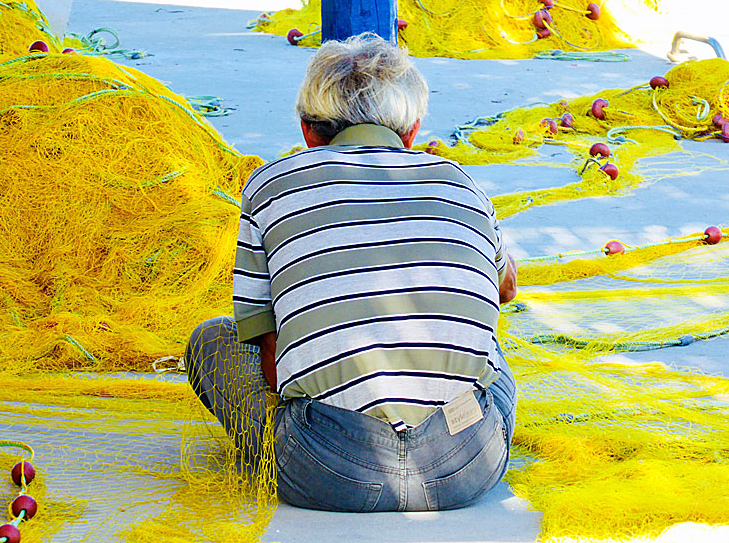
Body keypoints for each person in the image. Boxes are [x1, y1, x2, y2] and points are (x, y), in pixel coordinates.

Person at [185, 32, 517, 512]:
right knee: (490, 350)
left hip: (326, 472)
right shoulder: (461, 183)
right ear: (413, 130)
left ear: (307, 130)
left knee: (211, 341)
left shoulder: (269, 186)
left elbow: (273, 365)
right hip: (466, 467)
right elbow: (505, 289)